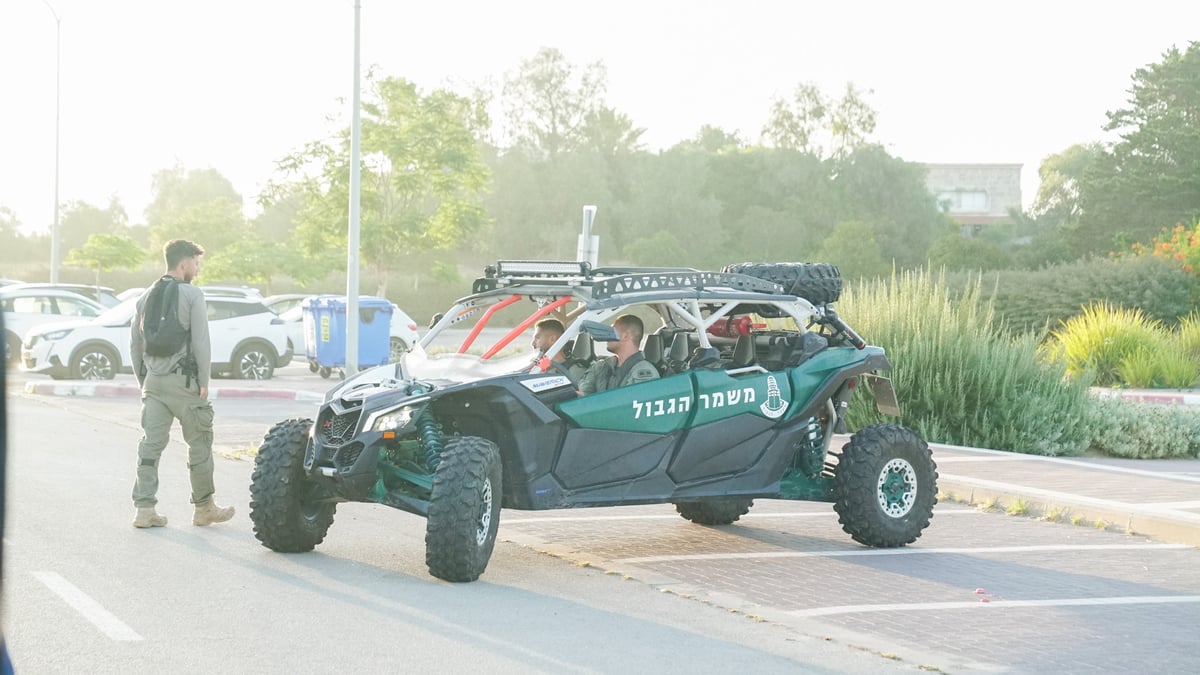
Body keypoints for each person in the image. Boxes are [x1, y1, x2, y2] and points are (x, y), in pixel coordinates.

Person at [129, 239, 234, 529]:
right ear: (184, 263)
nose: (198, 270)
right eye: (196, 264)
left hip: (153, 384)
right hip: (185, 384)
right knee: (199, 443)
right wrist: (203, 381)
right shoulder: (192, 295)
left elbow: (135, 344)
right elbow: (201, 342)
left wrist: (145, 381)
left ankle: (144, 510)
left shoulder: (144, 297)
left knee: (150, 446)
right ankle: (204, 508)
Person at [578, 314, 660, 395]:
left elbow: (631, 405)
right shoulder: (602, 366)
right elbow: (582, 393)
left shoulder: (643, 373)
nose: (606, 335)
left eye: (612, 330)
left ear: (625, 336)